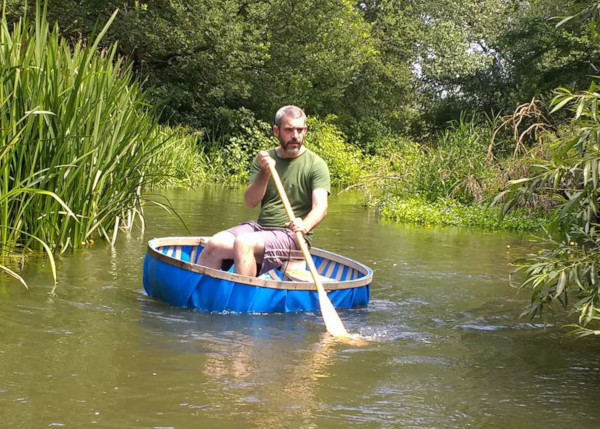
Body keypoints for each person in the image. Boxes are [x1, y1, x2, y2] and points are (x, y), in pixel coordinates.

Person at [197, 105, 330, 277]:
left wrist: (305, 225)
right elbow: (251, 202)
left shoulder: (316, 164)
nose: (295, 136)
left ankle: (243, 299)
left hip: (292, 236)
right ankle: (201, 298)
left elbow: (321, 207)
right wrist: (265, 172)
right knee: (215, 244)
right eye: (289, 130)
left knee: (243, 243)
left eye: (299, 130)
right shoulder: (264, 160)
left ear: (305, 131)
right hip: (261, 228)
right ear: (277, 131)